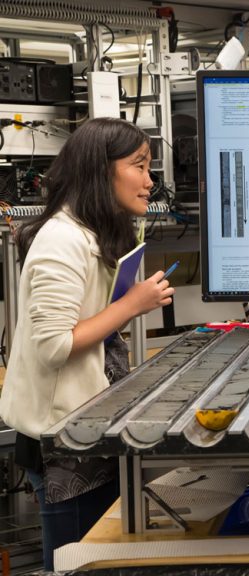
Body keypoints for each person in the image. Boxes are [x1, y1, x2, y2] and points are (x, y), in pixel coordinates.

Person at [0, 117, 175, 570]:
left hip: (89, 432)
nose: (149, 181)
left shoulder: (90, 232)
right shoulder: (61, 241)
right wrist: (132, 304)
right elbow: (54, 345)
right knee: (76, 564)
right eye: (139, 166)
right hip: (65, 450)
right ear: (102, 171)